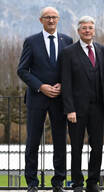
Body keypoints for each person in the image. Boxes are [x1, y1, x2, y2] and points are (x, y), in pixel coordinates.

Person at [17, 6, 73, 192]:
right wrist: (41, 86)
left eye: (54, 17)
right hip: (37, 97)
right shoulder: (31, 42)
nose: (51, 20)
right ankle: (32, 183)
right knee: (33, 141)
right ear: (41, 20)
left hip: (59, 98)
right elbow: (22, 70)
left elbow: (71, 70)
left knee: (60, 141)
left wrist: (63, 85)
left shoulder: (68, 41)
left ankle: (58, 182)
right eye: (47, 17)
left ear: (58, 19)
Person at [59, 16, 104, 192]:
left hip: (97, 108)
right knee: (77, 147)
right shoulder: (68, 52)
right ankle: (78, 182)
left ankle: (93, 181)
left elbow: (103, 78)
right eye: (84, 28)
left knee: (97, 146)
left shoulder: (101, 49)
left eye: (90, 28)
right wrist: (69, 109)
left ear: (94, 30)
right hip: (76, 110)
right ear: (78, 31)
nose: (87, 31)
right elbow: (66, 82)